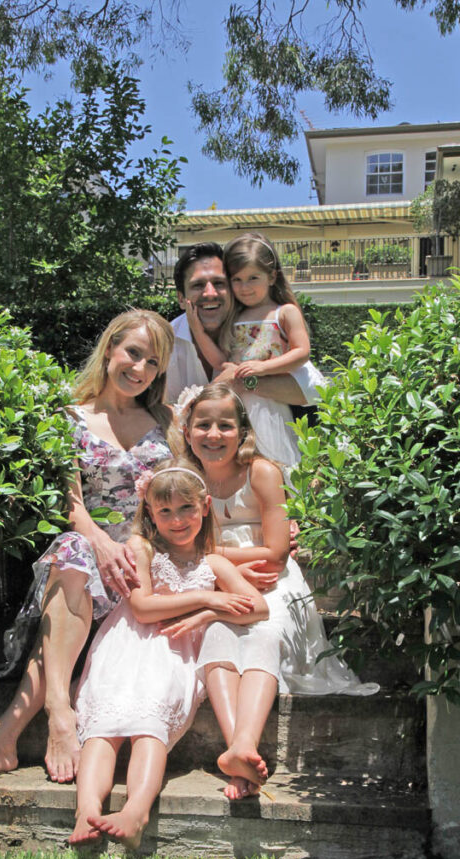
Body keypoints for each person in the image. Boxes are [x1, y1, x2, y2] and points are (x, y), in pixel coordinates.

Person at [0, 310, 177, 786]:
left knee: (74, 570)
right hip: (88, 550)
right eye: (133, 353)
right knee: (74, 551)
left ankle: (3, 738)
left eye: (153, 362)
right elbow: (70, 505)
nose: (141, 368)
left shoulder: (167, 422)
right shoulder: (68, 418)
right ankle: (61, 714)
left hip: (145, 560)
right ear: (109, 349)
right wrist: (103, 542)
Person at [178, 383, 379, 799]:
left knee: (262, 634)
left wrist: (213, 556)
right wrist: (224, 566)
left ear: (242, 431)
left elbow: (275, 554)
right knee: (217, 635)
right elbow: (174, 546)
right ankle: (241, 751)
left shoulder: (262, 473)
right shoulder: (183, 478)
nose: (213, 435)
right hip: (216, 584)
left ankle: (240, 750)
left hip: (273, 584)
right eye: (203, 425)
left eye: (225, 426)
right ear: (187, 430)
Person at [68, 460, 268, 849]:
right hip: (125, 648)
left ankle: (136, 812)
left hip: (171, 658)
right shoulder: (140, 547)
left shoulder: (214, 563)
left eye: (186, 509)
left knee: (150, 727)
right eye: (165, 511)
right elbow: (142, 607)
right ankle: (86, 810)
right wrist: (207, 596)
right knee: (102, 731)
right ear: (150, 514)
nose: (177, 520)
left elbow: (259, 607)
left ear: (205, 507)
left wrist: (211, 612)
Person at [183, 232, 313, 466]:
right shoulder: (234, 316)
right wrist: (197, 330)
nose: (244, 287)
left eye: (253, 278)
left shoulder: (284, 312)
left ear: (272, 276)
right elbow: (221, 363)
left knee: (274, 462)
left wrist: (263, 367)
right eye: (237, 279)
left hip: (269, 404)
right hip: (236, 406)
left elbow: (302, 352)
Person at [165, 242, 326, 421]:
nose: (210, 293)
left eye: (219, 283)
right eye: (198, 285)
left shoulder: (254, 328)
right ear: (181, 298)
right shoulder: (164, 343)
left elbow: (316, 390)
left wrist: (245, 383)